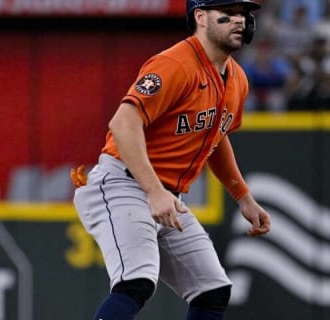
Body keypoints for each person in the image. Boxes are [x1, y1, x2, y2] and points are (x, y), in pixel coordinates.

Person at [69, 1, 272, 319]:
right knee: (135, 282)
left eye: (243, 14)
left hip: (164, 197)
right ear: (201, 17)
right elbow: (123, 124)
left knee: (212, 291)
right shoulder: (175, 64)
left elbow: (216, 139)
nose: (239, 20)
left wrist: (243, 197)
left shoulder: (237, 80)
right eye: (228, 13)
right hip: (125, 182)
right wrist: (153, 191)